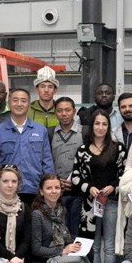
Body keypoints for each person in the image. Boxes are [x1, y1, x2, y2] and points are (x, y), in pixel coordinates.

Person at [71, 109, 126, 263]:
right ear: (91, 126)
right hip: (90, 204)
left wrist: (113, 187)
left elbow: (125, 176)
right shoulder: (82, 150)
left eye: (104, 124)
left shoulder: (118, 149)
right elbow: (75, 177)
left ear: (108, 127)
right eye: (97, 123)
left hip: (111, 202)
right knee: (93, 247)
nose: (100, 127)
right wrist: (89, 188)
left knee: (109, 246)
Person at [29, 174, 94, 263]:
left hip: (60, 257)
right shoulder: (37, 215)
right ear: (41, 191)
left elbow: (65, 236)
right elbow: (36, 249)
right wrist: (62, 251)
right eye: (49, 188)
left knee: (89, 255)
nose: (54, 191)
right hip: (43, 261)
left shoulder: (61, 210)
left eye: (57, 188)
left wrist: (75, 244)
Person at [0, 88, 54, 205]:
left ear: (29, 104)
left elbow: (47, 162)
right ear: (9, 103)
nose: (19, 104)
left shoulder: (40, 130)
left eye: (23, 101)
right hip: (6, 192)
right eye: (15, 100)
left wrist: (49, 188)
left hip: (35, 191)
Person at [48, 96, 82, 236]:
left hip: (79, 192)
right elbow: (46, 159)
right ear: (55, 112)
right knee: (57, 232)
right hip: (56, 193)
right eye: (60, 110)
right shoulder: (49, 133)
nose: (64, 114)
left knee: (76, 233)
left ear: (74, 111)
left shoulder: (85, 132)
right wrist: (55, 182)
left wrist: (76, 181)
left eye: (68, 110)